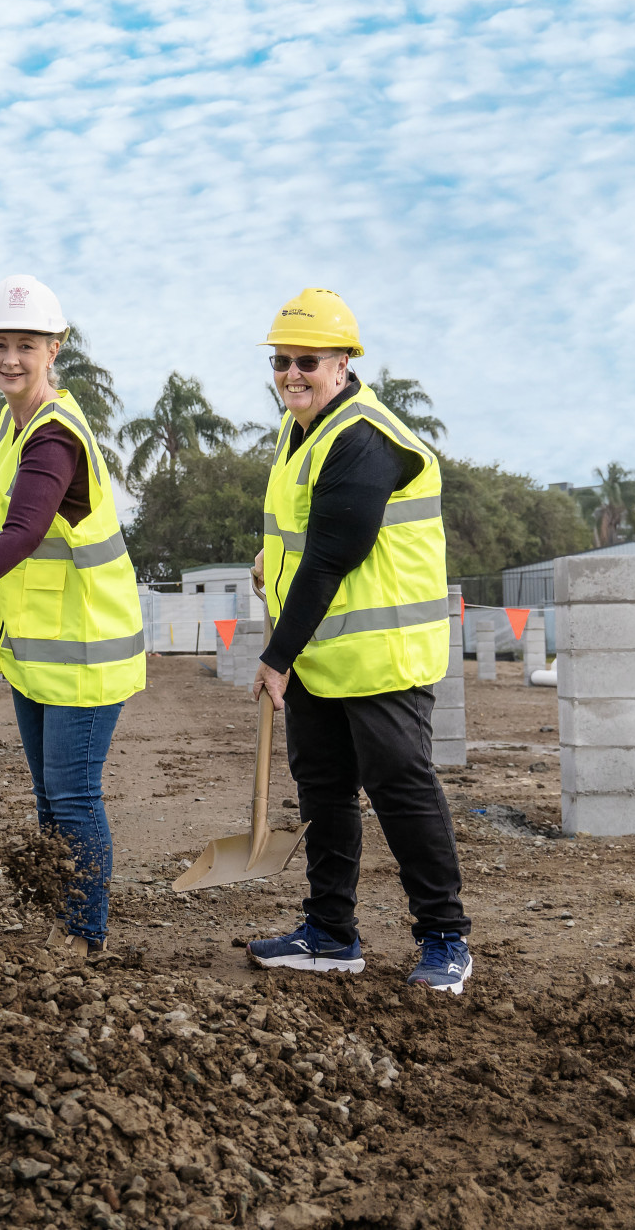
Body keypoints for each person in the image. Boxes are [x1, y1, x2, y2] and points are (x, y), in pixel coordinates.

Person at [243, 288, 473, 994]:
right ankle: (330, 932)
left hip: (382, 658)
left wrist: (275, 657)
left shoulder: (362, 437)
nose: (292, 374)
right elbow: (302, 532)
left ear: (342, 362)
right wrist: (265, 560)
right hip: (326, 655)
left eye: (306, 361)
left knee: (401, 789)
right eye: (282, 361)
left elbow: (331, 555)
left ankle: (444, 938)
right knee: (325, 790)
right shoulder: (299, 427)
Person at [0, 275, 145, 953]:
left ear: (55, 347)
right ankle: (68, 926)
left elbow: (24, 534)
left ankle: (86, 938)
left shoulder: (53, 435)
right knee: (50, 802)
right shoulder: (22, 428)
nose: (10, 358)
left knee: (72, 799)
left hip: (85, 646)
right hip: (45, 646)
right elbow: (19, 508)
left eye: (26, 345)